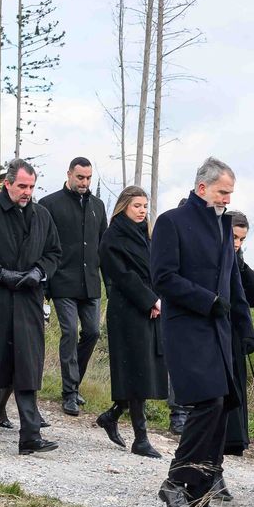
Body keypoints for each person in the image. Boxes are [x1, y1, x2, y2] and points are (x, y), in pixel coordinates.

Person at [151, 157, 250, 507]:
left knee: (222, 406)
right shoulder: (171, 222)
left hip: (220, 332)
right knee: (207, 403)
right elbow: (163, 277)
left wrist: (245, 324)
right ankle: (177, 481)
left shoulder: (225, 227)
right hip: (187, 328)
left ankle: (198, 494)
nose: (227, 199)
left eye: (231, 193)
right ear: (203, 187)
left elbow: (233, 281)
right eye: (223, 191)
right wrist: (205, 300)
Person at [0, 159, 61, 454]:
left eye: (31, 186)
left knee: (28, 368)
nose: (27, 192)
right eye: (22, 186)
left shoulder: (42, 215)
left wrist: (39, 272)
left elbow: (54, 252)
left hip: (28, 299)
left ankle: (30, 435)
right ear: (7, 184)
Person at [98, 186, 167, 459]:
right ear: (124, 205)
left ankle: (112, 415)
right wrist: (149, 300)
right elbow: (123, 276)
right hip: (127, 311)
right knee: (137, 371)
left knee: (145, 369)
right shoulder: (112, 237)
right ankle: (141, 437)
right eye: (137, 205)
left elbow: (157, 270)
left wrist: (156, 300)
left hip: (150, 308)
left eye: (144, 206)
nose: (142, 210)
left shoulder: (147, 235)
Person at [43, 156, 106, 416]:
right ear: (69, 174)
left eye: (89, 178)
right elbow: (44, 245)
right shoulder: (50, 204)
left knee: (92, 332)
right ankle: (69, 392)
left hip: (90, 283)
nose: (84, 182)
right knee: (69, 332)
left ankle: (75, 384)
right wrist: (45, 285)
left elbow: (103, 244)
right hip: (62, 281)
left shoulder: (98, 206)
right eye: (80, 177)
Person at [220, 210, 254, 483]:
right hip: (213, 336)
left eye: (242, 239)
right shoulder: (212, 258)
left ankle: (217, 471)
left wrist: (242, 265)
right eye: (234, 237)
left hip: (234, 339)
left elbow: (253, 298)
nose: (237, 243)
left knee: (232, 404)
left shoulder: (238, 261)